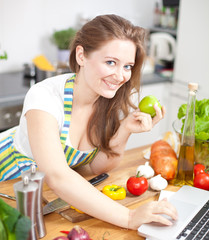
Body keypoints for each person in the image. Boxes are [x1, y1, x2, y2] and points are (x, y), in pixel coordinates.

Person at [0, 14, 177, 230]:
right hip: (8, 184)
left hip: (41, 196)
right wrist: (129, 218)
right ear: (82, 56)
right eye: (111, 62)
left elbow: (93, 167)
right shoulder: (44, 97)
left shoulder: (106, 99)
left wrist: (125, 130)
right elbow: (58, 176)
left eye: (127, 66)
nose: (121, 76)